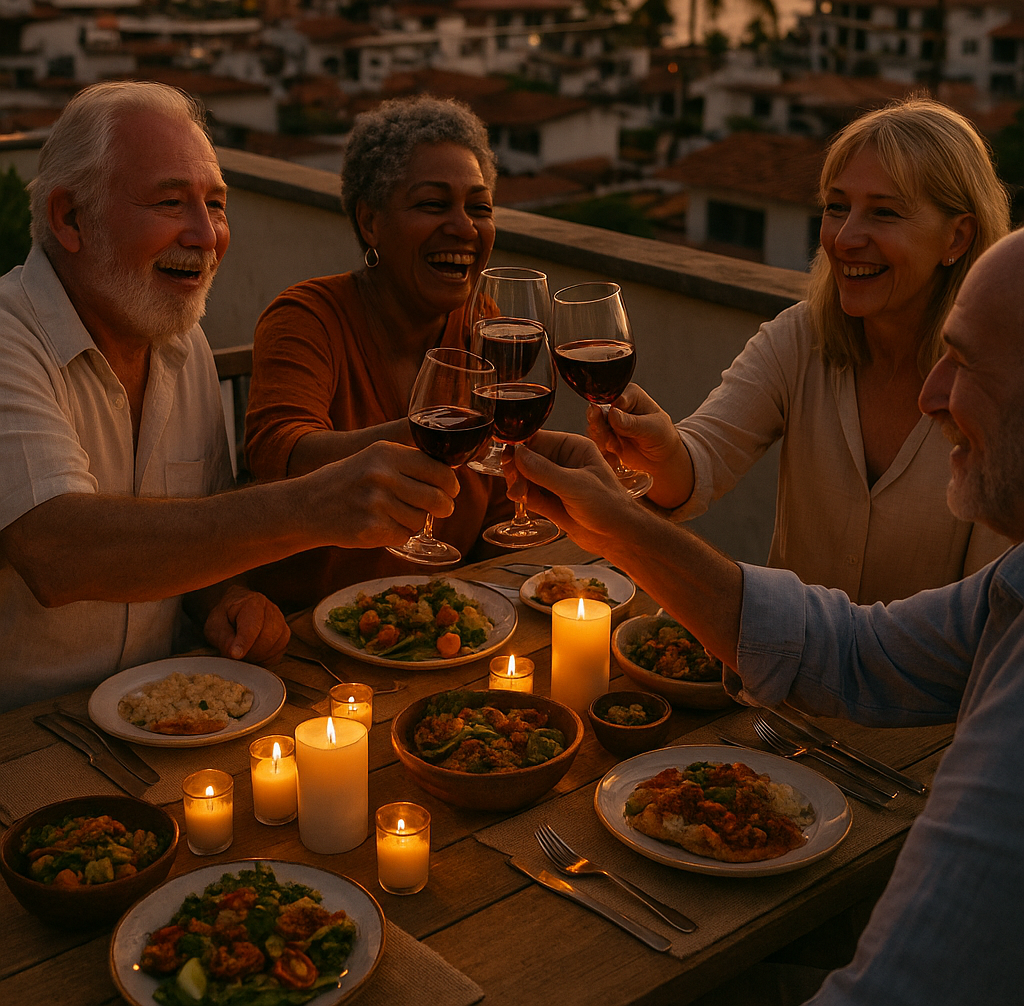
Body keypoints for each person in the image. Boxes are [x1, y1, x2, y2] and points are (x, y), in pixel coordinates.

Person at [509, 225, 1024, 1005]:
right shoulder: (1015, 586)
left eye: (968, 366)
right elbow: (854, 654)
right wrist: (620, 527)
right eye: (835, 204)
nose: (932, 396)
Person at [0, 83, 461, 711]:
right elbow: (58, 551)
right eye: (170, 203)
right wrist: (310, 507)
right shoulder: (8, 340)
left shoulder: (180, 340)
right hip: (22, 737)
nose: (206, 235)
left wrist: (228, 599)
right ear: (70, 219)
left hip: (165, 713)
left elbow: (198, 528)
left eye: (216, 205)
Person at [590, 98, 1010, 601]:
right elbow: (699, 466)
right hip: (778, 679)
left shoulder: (999, 388)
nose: (845, 238)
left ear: (957, 237)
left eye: (884, 212)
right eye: (836, 207)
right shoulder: (800, 339)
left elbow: (990, 614)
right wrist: (660, 451)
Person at [244, 95, 512, 604]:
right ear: (370, 223)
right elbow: (279, 453)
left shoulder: (485, 325)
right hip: (304, 636)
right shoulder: (308, 317)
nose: (464, 227)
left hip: (442, 633)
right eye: (433, 204)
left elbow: (499, 504)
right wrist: (427, 433)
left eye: (479, 208)